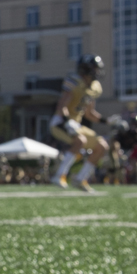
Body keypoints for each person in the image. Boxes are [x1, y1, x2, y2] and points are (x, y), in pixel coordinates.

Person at [49, 54, 109, 193]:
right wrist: (67, 121)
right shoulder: (75, 82)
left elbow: (89, 113)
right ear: (86, 69)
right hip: (60, 121)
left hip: (76, 124)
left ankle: (80, 179)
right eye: (95, 68)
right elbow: (61, 107)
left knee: (102, 146)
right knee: (80, 141)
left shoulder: (95, 87)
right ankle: (59, 176)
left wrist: (107, 121)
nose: (97, 72)